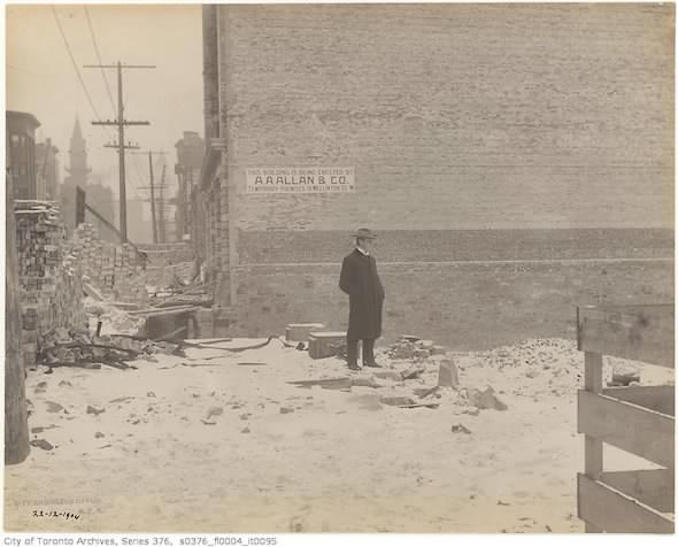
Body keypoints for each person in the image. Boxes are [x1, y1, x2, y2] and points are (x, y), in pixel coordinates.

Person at [339, 228, 385, 370]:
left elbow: (374, 279)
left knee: (371, 330)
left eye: (371, 241)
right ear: (360, 241)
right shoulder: (350, 260)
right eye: (369, 241)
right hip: (359, 303)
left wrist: (380, 293)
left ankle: (368, 359)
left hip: (374, 301)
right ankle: (352, 361)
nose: (371, 243)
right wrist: (358, 295)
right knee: (355, 331)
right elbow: (344, 284)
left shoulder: (371, 259)